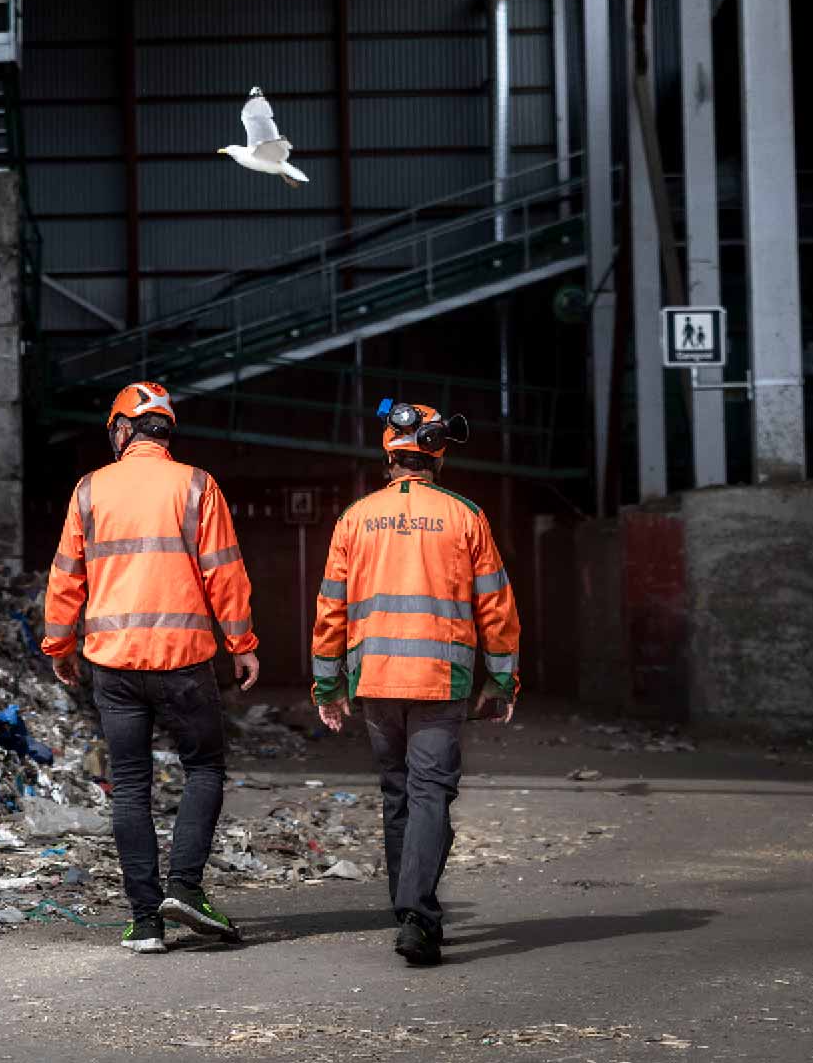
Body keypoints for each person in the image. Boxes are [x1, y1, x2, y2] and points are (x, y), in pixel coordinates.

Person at [43, 380, 260, 953]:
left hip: (113, 665)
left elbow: (66, 577)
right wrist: (241, 643)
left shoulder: (90, 489)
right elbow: (225, 572)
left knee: (131, 785)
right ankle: (184, 888)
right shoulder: (197, 485)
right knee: (204, 768)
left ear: (121, 429)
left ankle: (145, 921)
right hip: (184, 661)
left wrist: (59, 645)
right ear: (166, 432)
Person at [310, 400, 522, 967]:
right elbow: (496, 606)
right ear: (438, 455)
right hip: (438, 680)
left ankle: (407, 909)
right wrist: (502, 678)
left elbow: (331, 608)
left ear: (389, 454)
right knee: (430, 793)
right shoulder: (465, 516)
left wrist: (328, 686)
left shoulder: (355, 518)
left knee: (398, 792)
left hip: (375, 680)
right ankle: (419, 918)